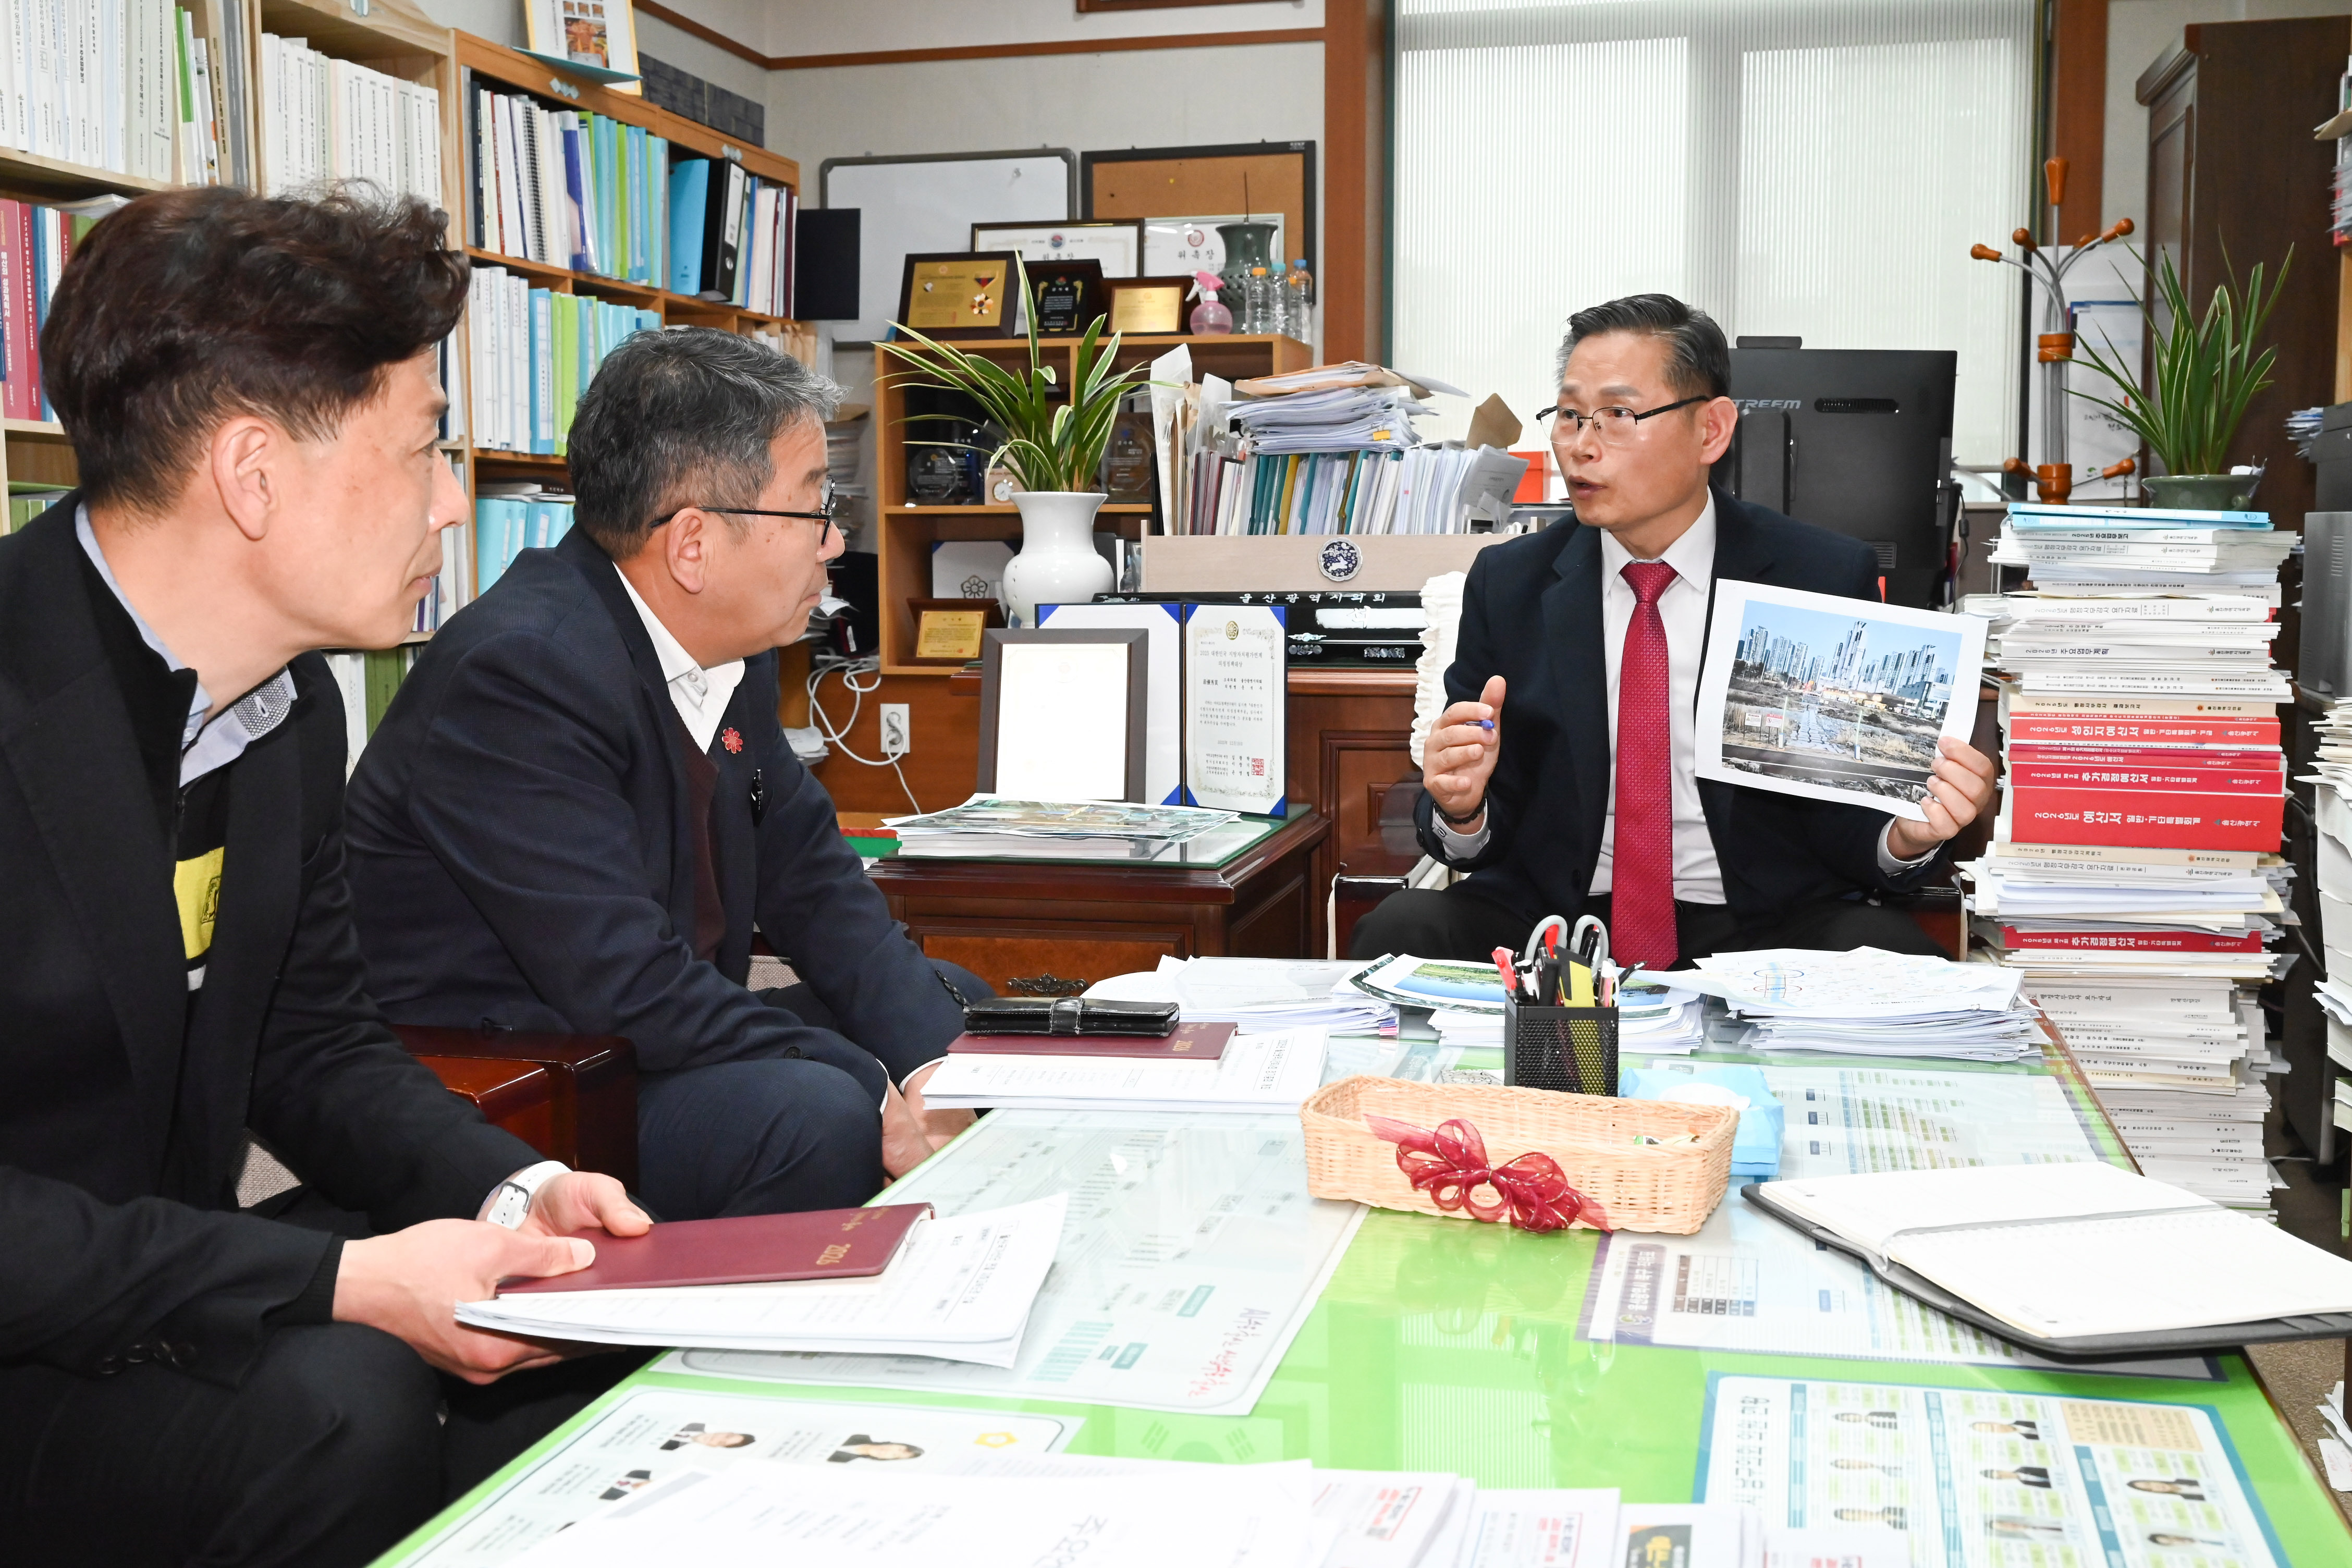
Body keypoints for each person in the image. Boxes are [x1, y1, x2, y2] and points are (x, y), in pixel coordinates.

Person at [0, 185, 651, 1567]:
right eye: (423, 445)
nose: (454, 498)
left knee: (558, 1315)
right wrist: (341, 1283)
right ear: (253, 472)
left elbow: (316, 1044)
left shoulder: (293, 707)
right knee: (346, 1395)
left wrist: (507, 1195)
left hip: (138, 1283)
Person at [347, 328, 990, 1222]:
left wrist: (930, 1069)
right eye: (813, 509)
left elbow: (809, 876)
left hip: (649, 1036)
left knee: (963, 1015)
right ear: (692, 544)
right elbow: (622, 980)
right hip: (533, 1084)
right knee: (823, 1112)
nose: (836, 542)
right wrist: (877, 1088)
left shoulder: (732, 648)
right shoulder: (521, 674)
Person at [1351, 294, 1996, 967]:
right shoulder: (1511, 584)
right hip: (1553, 923)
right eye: (1570, 416)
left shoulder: (1817, 576)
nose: (1582, 444)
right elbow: (1484, 814)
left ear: (1712, 431)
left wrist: (1904, 834)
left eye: (1618, 415)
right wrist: (1461, 809)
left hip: (1758, 923)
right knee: (1402, 934)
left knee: (1893, 955)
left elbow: (1844, 821)